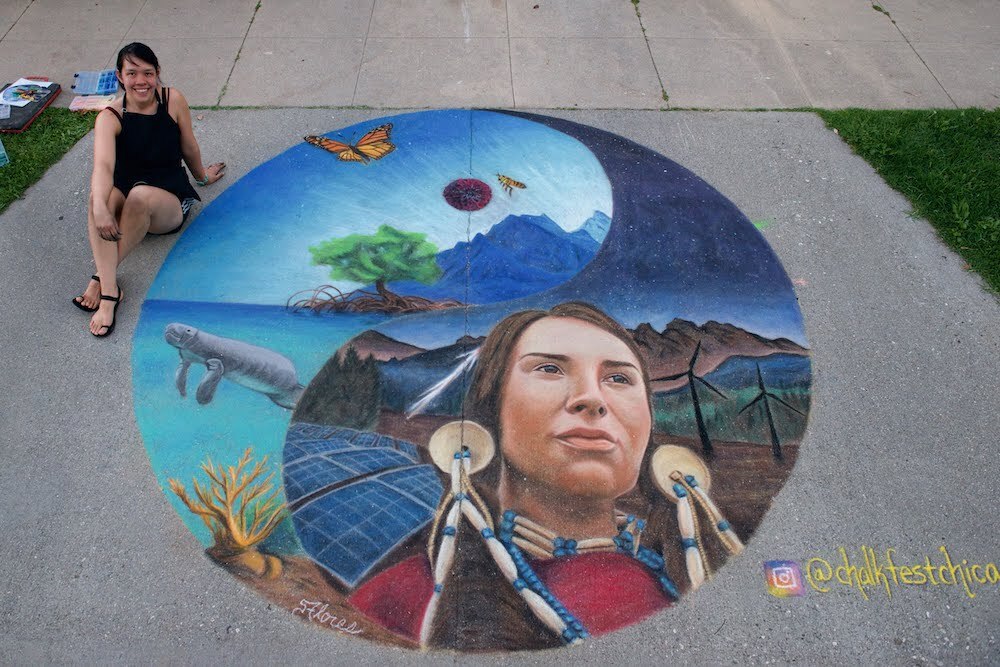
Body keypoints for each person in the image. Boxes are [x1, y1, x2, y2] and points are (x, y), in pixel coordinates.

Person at [348, 302, 684, 650]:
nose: (592, 399)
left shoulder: (691, 574)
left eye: (619, 378)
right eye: (550, 368)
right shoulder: (401, 600)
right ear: (493, 409)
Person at [72, 42, 225, 337]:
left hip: (166, 198)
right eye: (132, 73)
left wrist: (202, 177)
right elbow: (103, 167)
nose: (141, 81)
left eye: (148, 72)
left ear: (157, 74)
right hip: (125, 186)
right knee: (97, 198)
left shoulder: (172, 100)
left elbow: (188, 145)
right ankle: (110, 287)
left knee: (140, 196)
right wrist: (102, 208)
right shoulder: (109, 116)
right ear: (119, 76)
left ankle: (103, 285)